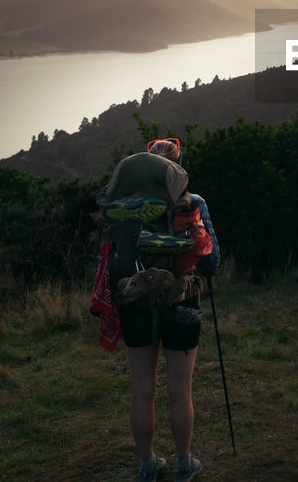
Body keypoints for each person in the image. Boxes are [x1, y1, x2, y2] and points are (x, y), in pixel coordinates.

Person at [103, 138, 220, 482]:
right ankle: (184, 464)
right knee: (180, 389)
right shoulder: (194, 203)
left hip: (135, 304)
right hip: (181, 301)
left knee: (142, 389)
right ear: (177, 170)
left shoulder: (123, 207)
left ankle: (147, 466)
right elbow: (212, 260)